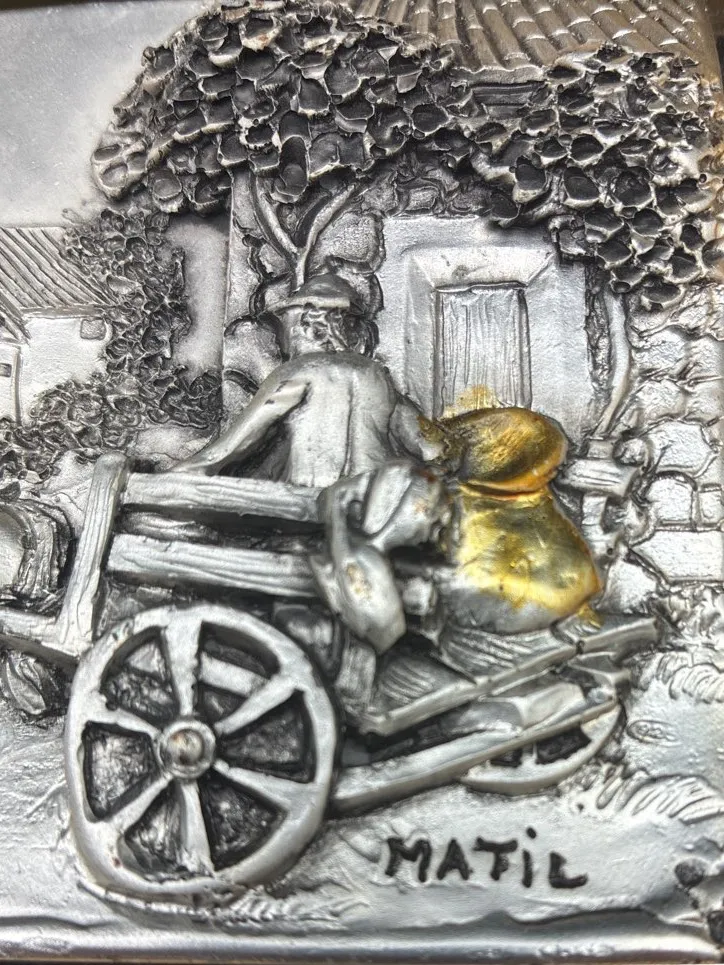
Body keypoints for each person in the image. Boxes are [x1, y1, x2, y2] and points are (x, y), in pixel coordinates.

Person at [172, 274, 434, 486]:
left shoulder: (302, 370)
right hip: (376, 494)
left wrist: (187, 471)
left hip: (313, 491)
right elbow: (430, 447)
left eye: (289, 322)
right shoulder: (378, 376)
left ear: (311, 325)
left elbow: (242, 439)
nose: (285, 335)